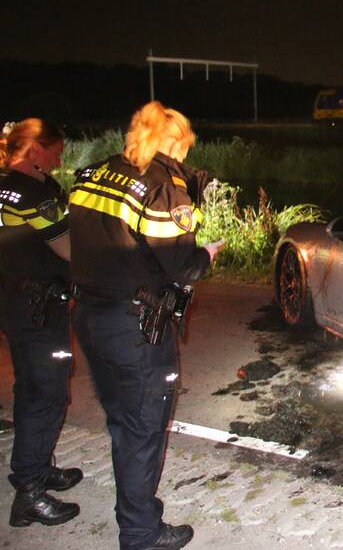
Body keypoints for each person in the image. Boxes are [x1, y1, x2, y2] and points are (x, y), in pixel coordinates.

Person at [68, 102, 221, 550]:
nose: (185, 159)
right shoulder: (164, 184)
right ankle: (140, 533)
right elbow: (181, 266)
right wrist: (206, 255)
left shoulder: (93, 173)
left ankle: (133, 513)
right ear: (174, 143)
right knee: (143, 427)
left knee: (122, 421)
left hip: (90, 317)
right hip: (136, 327)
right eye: (184, 149)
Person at [0, 118, 81, 528]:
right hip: (39, 305)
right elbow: (67, 249)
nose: (60, 158)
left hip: (13, 301)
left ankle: (38, 465)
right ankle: (29, 492)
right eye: (55, 150)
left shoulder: (4, 185)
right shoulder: (33, 194)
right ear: (33, 150)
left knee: (30, 385)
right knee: (47, 391)